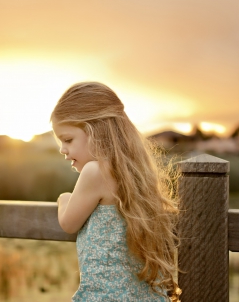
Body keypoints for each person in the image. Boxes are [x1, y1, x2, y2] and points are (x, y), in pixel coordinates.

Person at [51, 82, 181, 302]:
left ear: (96, 130)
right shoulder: (135, 175)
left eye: (68, 140)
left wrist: (64, 199)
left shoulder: (95, 171)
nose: (63, 149)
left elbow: (68, 223)